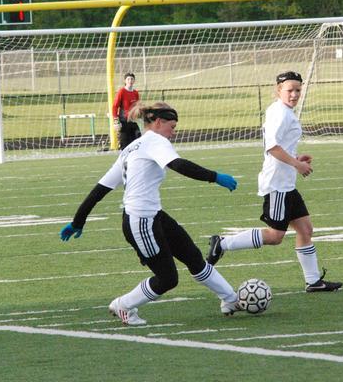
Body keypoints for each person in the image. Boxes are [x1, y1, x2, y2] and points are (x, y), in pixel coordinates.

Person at [60, 101, 242, 326]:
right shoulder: (155, 141)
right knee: (167, 278)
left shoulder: (131, 148)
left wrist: (78, 222)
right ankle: (123, 305)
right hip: (141, 221)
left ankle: (230, 299)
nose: (173, 133)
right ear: (158, 122)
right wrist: (215, 177)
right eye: (172, 127)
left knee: (193, 257)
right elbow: (178, 165)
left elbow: (99, 190)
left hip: (153, 216)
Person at [206, 71, 342, 293]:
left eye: (298, 90)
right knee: (275, 236)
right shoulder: (280, 113)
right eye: (290, 90)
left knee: (305, 229)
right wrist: (297, 164)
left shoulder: (284, 111)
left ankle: (313, 281)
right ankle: (222, 243)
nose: (294, 94)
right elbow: (272, 148)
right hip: (277, 184)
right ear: (279, 90)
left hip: (287, 184)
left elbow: (281, 147)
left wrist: (296, 158)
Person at [112, 72, 141, 149]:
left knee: (137, 142)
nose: (130, 81)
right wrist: (115, 120)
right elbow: (115, 106)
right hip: (124, 121)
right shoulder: (121, 92)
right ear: (125, 81)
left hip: (133, 121)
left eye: (132, 79)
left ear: (134, 81)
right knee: (125, 145)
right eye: (128, 79)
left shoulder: (135, 93)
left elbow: (137, 106)